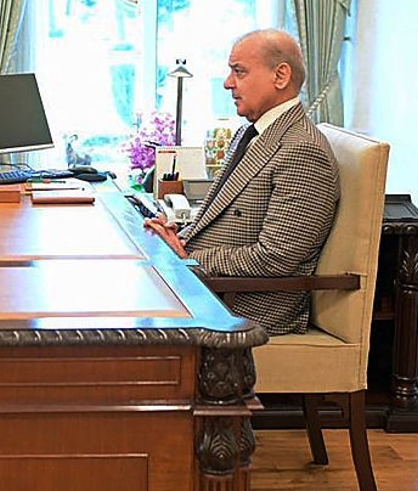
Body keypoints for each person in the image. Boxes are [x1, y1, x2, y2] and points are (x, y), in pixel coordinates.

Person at [145, 29, 339, 335]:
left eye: (239, 72)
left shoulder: (302, 150)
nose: (227, 83)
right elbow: (222, 220)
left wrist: (189, 259)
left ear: (281, 76)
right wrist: (177, 237)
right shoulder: (249, 134)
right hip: (206, 287)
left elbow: (277, 257)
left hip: (242, 306)